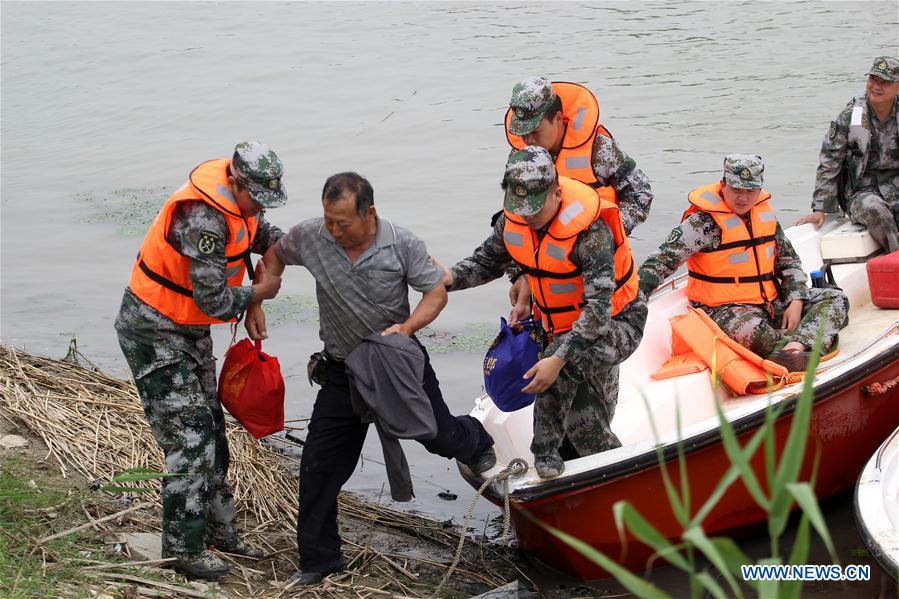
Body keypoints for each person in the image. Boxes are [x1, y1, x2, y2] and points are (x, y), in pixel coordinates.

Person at [247, 172, 495, 586]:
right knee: (319, 468)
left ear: (370, 213)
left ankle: (477, 438)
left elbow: (435, 293)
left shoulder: (402, 244)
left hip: (395, 364)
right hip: (341, 371)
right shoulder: (311, 236)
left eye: (343, 223)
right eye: (329, 220)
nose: (334, 230)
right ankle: (320, 561)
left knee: (438, 438)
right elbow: (274, 255)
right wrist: (259, 295)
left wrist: (408, 328)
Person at [115, 142, 287, 579]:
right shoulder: (201, 219)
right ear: (235, 182)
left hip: (189, 331)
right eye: (257, 198)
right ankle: (183, 549)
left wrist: (318, 246)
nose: (260, 207)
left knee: (212, 429)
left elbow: (268, 238)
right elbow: (215, 301)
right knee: (190, 438)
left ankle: (219, 530)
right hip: (152, 330)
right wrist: (260, 294)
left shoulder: (243, 207)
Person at [444, 145, 647, 479]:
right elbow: (485, 262)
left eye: (535, 208)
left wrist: (558, 358)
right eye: (520, 207)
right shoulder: (513, 221)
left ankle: (549, 453)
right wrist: (448, 279)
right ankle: (584, 462)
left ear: (557, 192)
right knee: (582, 402)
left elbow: (598, 310)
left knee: (559, 366)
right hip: (561, 324)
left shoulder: (591, 234)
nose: (527, 216)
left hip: (618, 322)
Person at [640, 154, 849, 373]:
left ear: (759, 190)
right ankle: (800, 345)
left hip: (771, 302)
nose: (743, 198)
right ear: (723, 185)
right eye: (736, 190)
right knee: (755, 334)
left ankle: (795, 348)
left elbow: (790, 262)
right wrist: (632, 298)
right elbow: (660, 262)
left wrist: (796, 300)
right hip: (726, 310)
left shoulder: (765, 216)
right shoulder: (701, 223)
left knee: (835, 298)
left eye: (750, 191)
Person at [503, 75, 654, 319]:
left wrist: (603, 239)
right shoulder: (521, 156)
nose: (528, 140)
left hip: (598, 266)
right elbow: (515, 216)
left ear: (558, 119)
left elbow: (640, 194)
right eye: (522, 133)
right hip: (549, 270)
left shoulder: (599, 149)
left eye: (535, 131)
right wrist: (520, 274)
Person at [795, 56, 899, 252]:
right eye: (873, 79)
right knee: (875, 210)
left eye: (885, 82)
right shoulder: (851, 114)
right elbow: (830, 159)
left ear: (898, 87)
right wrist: (820, 207)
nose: (876, 86)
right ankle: (895, 259)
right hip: (861, 191)